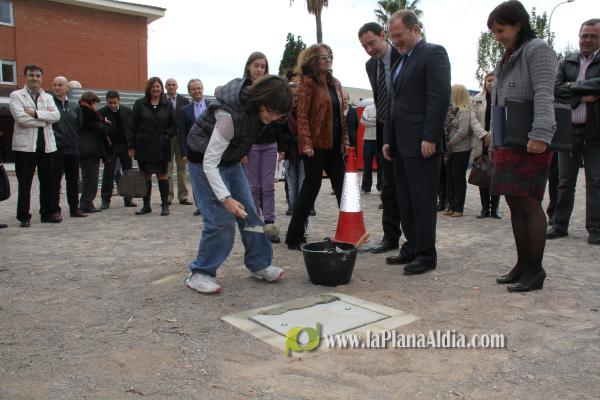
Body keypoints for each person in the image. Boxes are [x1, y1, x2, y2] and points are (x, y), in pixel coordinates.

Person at [184, 75, 292, 294]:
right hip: (204, 162)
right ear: (262, 100)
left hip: (230, 161)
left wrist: (239, 151)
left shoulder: (259, 111)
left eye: (279, 115)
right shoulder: (228, 117)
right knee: (221, 221)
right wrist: (226, 199)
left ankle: (259, 263)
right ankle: (200, 273)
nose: (273, 118)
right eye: (272, 112)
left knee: (250, 214)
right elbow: (210, 163)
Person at [488, 0, 558, 292]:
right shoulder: (509, 55)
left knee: (529, 203)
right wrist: (495, 139)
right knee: (514, 202)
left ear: (518, 25)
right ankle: (522, 264)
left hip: (531, 141)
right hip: (510, 141)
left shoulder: (537, 49)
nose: (497, 37)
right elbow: (498, 101)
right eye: (494, 32)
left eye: (501, 30)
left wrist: (541, 133)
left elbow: (544, 92)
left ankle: (535, 270)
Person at [383, 11, 451, 274]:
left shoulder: (433, 54)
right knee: (405, 200)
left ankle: (425, 254)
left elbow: (439, 96)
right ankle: (411, 247)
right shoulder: (399, 62)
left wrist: (430, 136)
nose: (395, 41)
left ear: (415, 30)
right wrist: (388, 139)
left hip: (423, 143)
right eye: (392, 36)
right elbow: (394, 104)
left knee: (422, 201)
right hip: (401, 144)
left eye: (399, 35)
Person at [285, 44, 349, 250]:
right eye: (323, 57)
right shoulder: (307, 83)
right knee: (311, 188)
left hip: (335, 145)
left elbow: (341, 116)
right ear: (313, 60)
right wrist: (306, 143)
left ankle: (350, 232)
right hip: (315, 146)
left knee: (343, 188)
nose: (328, 59)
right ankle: (294, 236)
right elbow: (302, 116)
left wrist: (345, 140)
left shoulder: (335, 83)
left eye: (330, 55)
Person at [547, 19, 600, 245]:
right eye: (584, 35)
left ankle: (596, 230)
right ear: (579, 36)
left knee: (596, 182)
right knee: (564, 181)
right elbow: (555, 89)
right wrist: (582, 96)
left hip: (595, 133)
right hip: (567, 131)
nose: (587, 39)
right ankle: (559, 225)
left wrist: (570, 87)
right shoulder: (566, 61)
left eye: (593, 36)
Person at [358, 22, 403, 254]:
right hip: (384, 128)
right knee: (388, 185)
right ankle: (390, 237)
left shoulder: (403, 55)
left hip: (406, 128)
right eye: (364, 46)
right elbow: (380, 97)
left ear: (383, 36)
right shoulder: (370, 65)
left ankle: (415, 242)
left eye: (372, 43)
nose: (369, 50)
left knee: (406, 186)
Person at [241, 52, 285, 243]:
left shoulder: (271, 88)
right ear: (248, 67)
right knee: (252, 186)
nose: (259, 70)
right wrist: (241, 149)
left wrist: (282, 147)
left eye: (263, 66)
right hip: (250, 145)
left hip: (270, 144)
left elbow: (279, 119)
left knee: (268, 185)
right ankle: (255, 222)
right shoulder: (243, 91)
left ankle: (269, 223)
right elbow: (241, 122)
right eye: (256, 66)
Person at [9, 64, 61, 227]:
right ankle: (24, 216)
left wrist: (35, 113)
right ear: (26, 77)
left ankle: (47, 213)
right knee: (25, 183)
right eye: (31, 75)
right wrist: (44, 121)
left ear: (41, 78)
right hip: (25, 148)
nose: (35, 78)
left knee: (48, 182)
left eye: (38, 76)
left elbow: (56, 116)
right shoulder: (16, 95)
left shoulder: (48, 97)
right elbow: (21, 118)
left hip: (46, 147)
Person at [129, 77, 177, 216]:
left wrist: (166, 136)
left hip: (162, 146)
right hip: (144, 145)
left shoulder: (167, 104)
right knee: (146, 176)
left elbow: (173, 125)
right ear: (148, 88)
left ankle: (165, 205)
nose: (155, 89)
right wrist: (131, 145)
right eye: (153, 86)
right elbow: (132, 126)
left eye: (158, 86)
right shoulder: (140, 104)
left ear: (161, 88)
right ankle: (146, 206)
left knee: (162, 175)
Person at [51, 76, 86, 218]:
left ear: (67, 87)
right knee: (55, 181)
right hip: (55, 149)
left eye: (60, 85)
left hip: (73, 148)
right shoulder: (49, 104)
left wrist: (76, 143)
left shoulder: (74, 106)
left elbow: (79, 125)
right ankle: (55, 210)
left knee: (73, 181)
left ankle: (74, 208)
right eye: (54, 85)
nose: (57, 87)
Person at [98, 90, 137, 210]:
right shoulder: (102, 112)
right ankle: (105, 200)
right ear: (106, 101)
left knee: (128, 173)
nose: (113, 105)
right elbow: (100, 132)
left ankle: (128, 199)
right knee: (108, 173)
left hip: (125, 146)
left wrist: (132, 146)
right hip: (110, 147)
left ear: (119, 100)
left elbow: (132, 129)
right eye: (110, 103)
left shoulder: (127, 111)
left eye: (115, 102)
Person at [471, 72, 501, 219]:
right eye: (489, 80)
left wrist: (492, 135)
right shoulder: (476, 99)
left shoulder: (502, 98)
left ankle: (495, 209)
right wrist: (484, 134)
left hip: (497, 142)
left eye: (494, 80)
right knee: (482, 174)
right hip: (481, 141)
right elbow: (473, 120)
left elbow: (503, 118)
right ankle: (484, 209)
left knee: (496, 175)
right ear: (484, 83)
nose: (491, 83)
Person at [179, 79, 211, 216]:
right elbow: (182, 132)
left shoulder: (212, 106)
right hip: (194, 151)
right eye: (193, 89)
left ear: (203, 88)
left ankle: (213, 204)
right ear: (189, 92)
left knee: (212, 178)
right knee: (197, 180)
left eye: (199, 88)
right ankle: (201, 206)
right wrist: (184, 152)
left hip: (211, 149)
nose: (197, 91)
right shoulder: (185, 111)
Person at [444, 84, 474, 218]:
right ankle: (451, 205)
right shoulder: (451, 111)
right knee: (449, 178)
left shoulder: (464, 111)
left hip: (461, 149)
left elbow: (462, 132)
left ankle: (458, 207)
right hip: (450, 151)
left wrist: (449, 143)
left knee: (458, 178)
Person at [78, 91, 110, 213]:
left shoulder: (82, 112)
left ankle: (86, 203)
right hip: (89, 150)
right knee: (91, 179)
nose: (96, 106)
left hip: (87, 149)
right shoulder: (87, 114)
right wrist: (105, 124)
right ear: (91, 102)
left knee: (89, 178)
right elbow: (100, 129)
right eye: (95, 103)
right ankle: (86, 203)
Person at [165, 78, 192, 206]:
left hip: (181, 138)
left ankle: (183, 196)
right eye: (169, 85)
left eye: (173, 85)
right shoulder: (162, 100)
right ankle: (168, 196)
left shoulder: (184, 100)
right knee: (168, 168)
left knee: (182, 169)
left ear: (177, 86)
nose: (171, 87)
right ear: (165, 87)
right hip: (167, 138)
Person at [360, 103, 383, 193]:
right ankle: (366, 187)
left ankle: (381, 187)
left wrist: (370, 119)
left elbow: (383, 121)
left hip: (380, 139)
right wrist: (377, 121)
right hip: (368, 139)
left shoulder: (383, 108)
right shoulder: (368, 108)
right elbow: (363, 121)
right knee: (367, 165)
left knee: (381, 165)